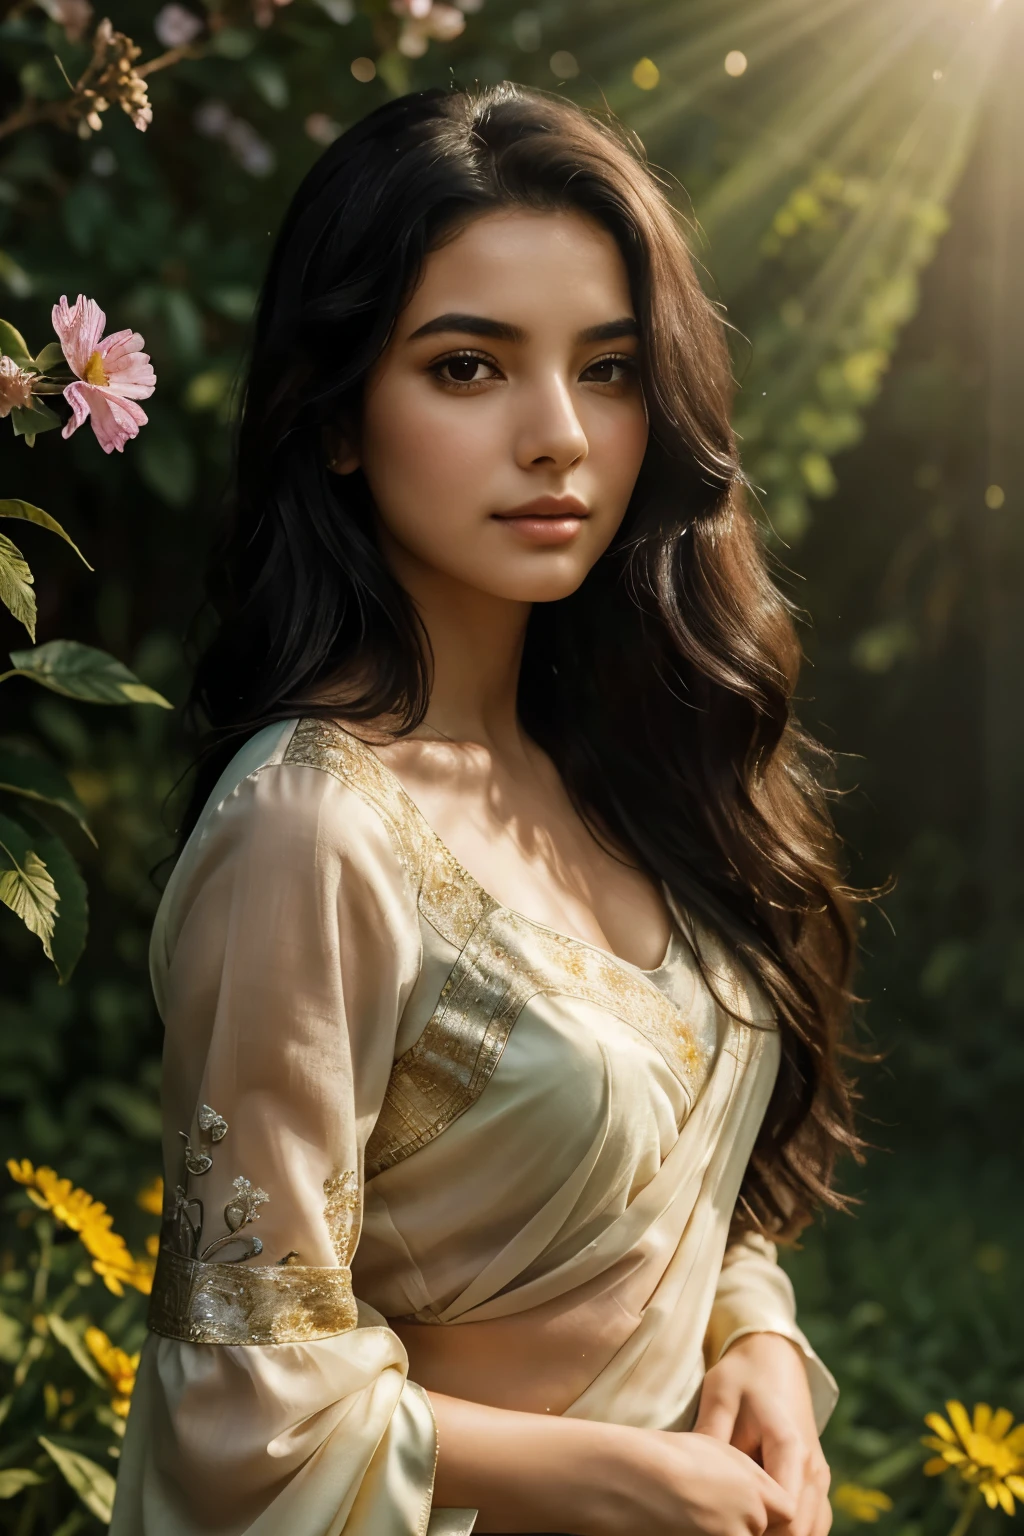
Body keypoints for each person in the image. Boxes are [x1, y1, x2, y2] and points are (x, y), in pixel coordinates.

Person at [111, 83, 861, 1536]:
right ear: (336, 417)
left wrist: (753, 1329)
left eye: (610, 369)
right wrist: (627, 1479)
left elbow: (679, 1185)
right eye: (469, 368)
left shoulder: (623, 767)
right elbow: (243, 1398)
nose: (560, 437)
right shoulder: (311, 830)